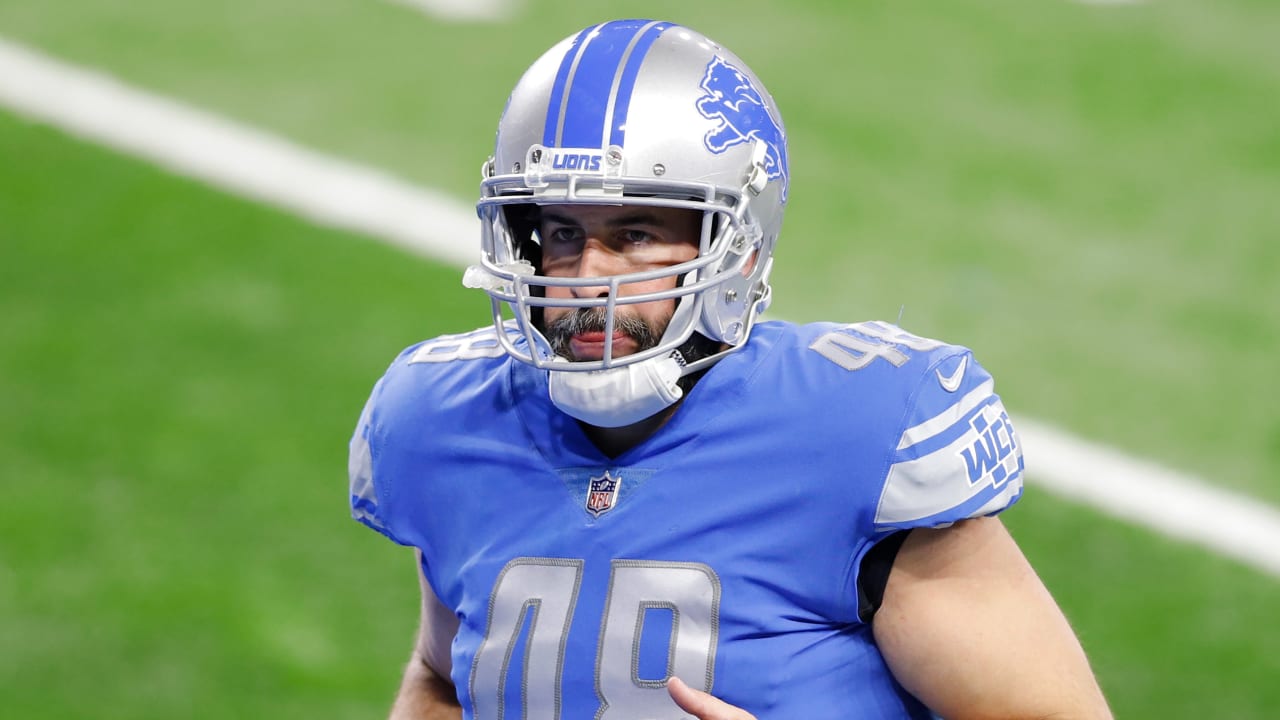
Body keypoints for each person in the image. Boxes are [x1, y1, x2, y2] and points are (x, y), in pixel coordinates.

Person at [348, 18, 1112, 720]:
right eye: (560, 231)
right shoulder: (443, 420)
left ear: (740, 248)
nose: (586, 277)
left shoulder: (855, 433)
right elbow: (442, 676)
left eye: (637, 233)